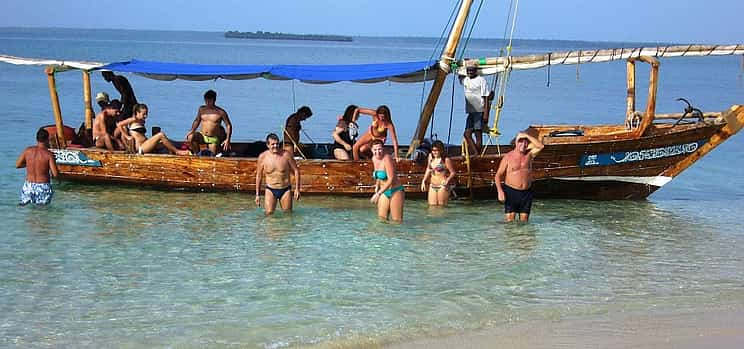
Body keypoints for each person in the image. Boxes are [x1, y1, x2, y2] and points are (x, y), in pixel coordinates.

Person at [494, 132, 544, 222]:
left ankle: (521, 236)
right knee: (510, 222)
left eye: (525, 142)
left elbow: (541, 146)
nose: (523, 144)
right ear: (516, 143)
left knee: (524, 222)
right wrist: (500, 191)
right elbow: (498, 175)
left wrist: (526, 135)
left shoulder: (529, 155)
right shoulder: (508, 157)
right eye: (520, 141)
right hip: (511, 192)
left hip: (526, 193)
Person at [116, 103, 190, 155]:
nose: (146, 116)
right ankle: (177, 151)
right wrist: (126, 136)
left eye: (146, 113)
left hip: (146, 143)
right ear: (137, 113)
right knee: (160, 135)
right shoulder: (133, 119)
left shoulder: (142, 121)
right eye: (143, 114)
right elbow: (119, 125)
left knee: (166, 142)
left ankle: (185, 145)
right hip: (140, 148)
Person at [255, 133, 301, 215]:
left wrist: (297, 189)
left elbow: (296, 171)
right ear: (267, 145)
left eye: (277, 144)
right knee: (269, 214)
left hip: (285, 189)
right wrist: (257, 195)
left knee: (287, 214)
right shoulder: (263, 157)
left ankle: (285, 228)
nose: (275, 146)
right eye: (273, 144)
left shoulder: (286, 155)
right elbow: (259, 176)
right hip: (270, 189)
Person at [16, 128, 59, 206]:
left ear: (36, 139)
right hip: (43, 185)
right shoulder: (49, 155)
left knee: (23, 206)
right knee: (41, 211)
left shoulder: (27, 150)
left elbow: (17, 165)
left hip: (28, 185)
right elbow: (55, 174)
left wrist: (29, 163)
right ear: (47, 139)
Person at [185, 90, 233, 156]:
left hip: (213, 138)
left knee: (211, 156)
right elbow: (197, 120)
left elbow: (228, 125)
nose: (207, 103)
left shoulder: (221, 112)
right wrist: (192, 130)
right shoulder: (201, 109)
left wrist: (228, 140)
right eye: (206, 101)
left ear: (214, 100)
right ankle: (197, 154)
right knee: (191, 137)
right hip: (202, 135)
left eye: (210, 101)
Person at [459, 61, 490, 155]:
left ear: (476, 71)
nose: (470, 72)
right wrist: (462, 63)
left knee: (478, 134)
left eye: (472, 70)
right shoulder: (466, 80)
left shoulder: (481, 80)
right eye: (468, 70)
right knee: (467, 134)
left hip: (479, 111)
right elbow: (459, 75)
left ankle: (477, 155)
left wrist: (486, 113)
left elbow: (486, 96)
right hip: (471, 111)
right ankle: (476, 154)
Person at [370, 139, 404, 221]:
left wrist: (378, 193)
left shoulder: (387, 158)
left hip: (395, 190)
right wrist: (377, 186)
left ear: (383, 149)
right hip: (383, 191)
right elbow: (378, 174)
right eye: (375, 150)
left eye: (379, 149)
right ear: (371, 150)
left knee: (396, 221)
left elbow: (391, 179)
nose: (377, 152)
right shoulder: (374, 158)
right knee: (382, 219)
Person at [420, 140, 456, 206]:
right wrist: (423, 181)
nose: (434, 152)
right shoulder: (430, 157)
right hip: (432, 185)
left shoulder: (445, 160)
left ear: (441, 150)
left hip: (442, 186)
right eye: (433, 150)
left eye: (436, 150)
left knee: (441, 208)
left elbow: (453, 172)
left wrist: (447, 180)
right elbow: (428, 168)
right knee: (431, 207)